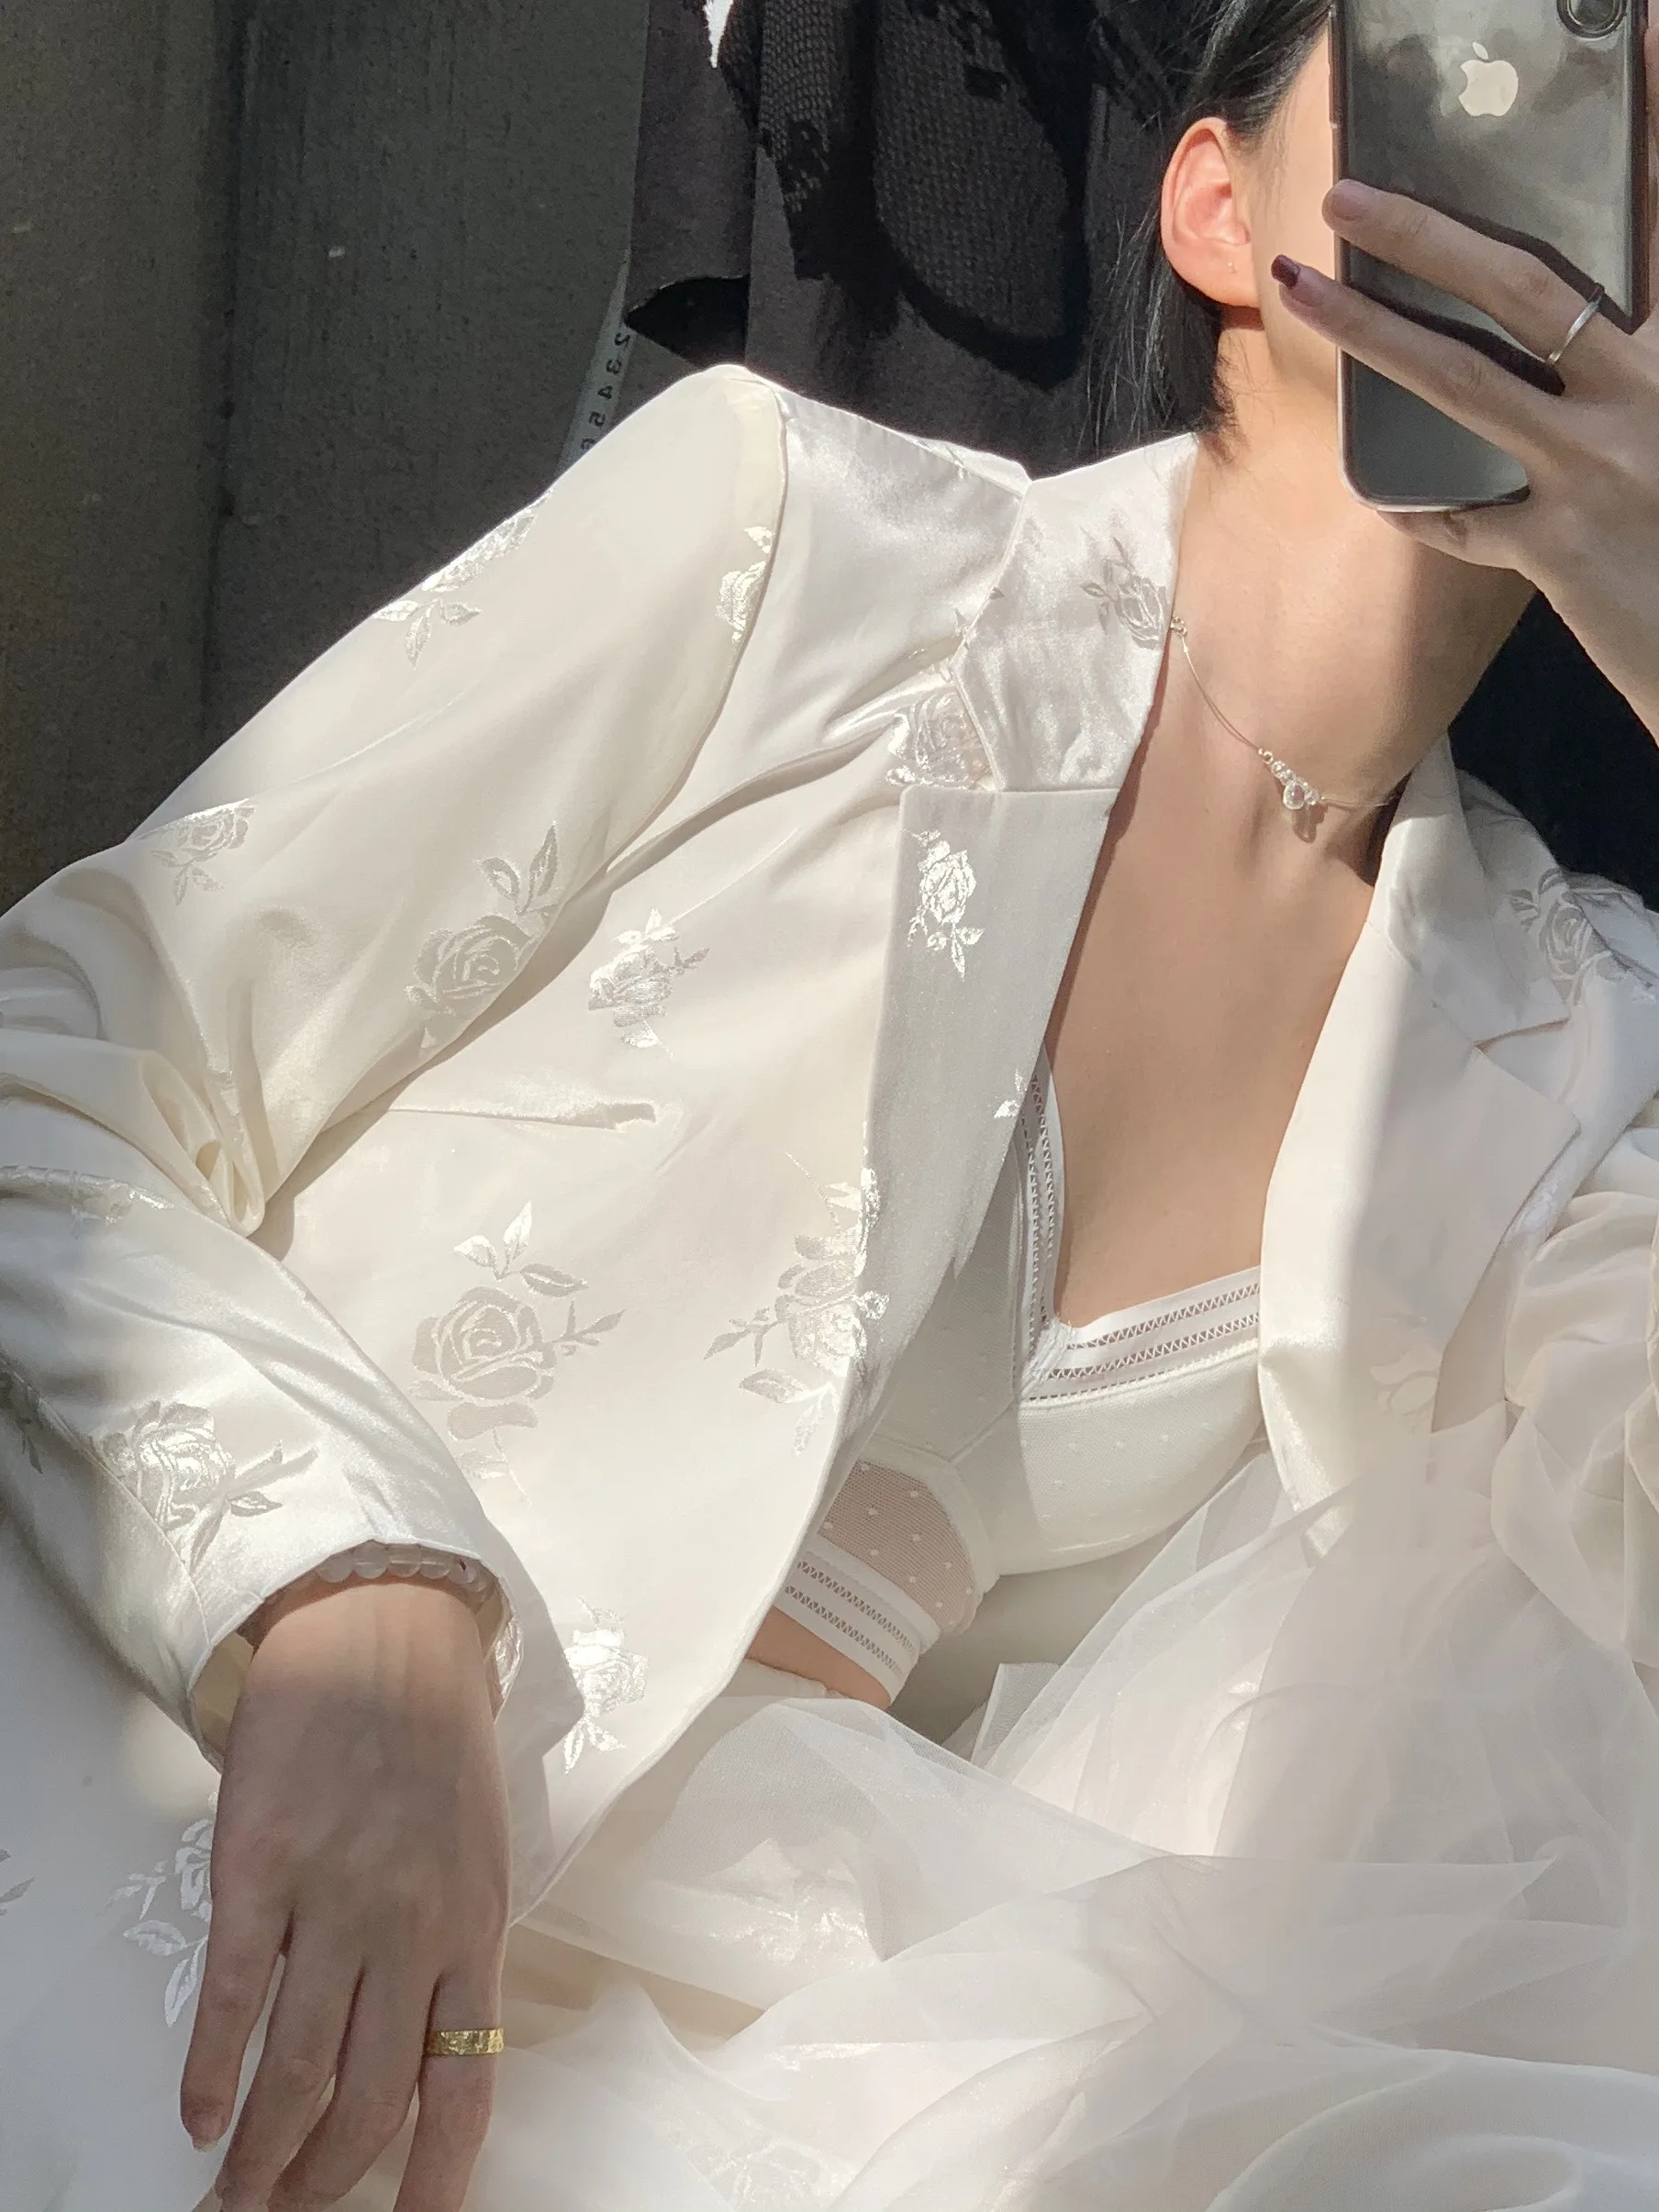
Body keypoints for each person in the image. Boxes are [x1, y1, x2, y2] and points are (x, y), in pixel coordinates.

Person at [7, 3, 1659, 2206]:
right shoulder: (791, 546)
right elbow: (55, 1060)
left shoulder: (1568, 1031)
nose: (1570, 214)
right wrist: (346, 1587)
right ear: (1215, 210)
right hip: (182, 1812)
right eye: (1483, 72)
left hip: (779, 2059)